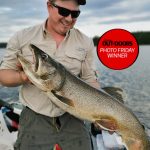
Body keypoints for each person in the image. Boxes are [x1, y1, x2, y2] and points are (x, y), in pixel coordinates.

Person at [0, 0, 117, 150]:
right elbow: (3, 75)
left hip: (74, 119)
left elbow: (90, 81)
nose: (69, 18)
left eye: (75, 14)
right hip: (34, 117)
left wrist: (100, 115)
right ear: (49, 6)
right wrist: (24, 77)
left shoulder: (85, 42)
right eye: (63, 11)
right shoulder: (22, 37)